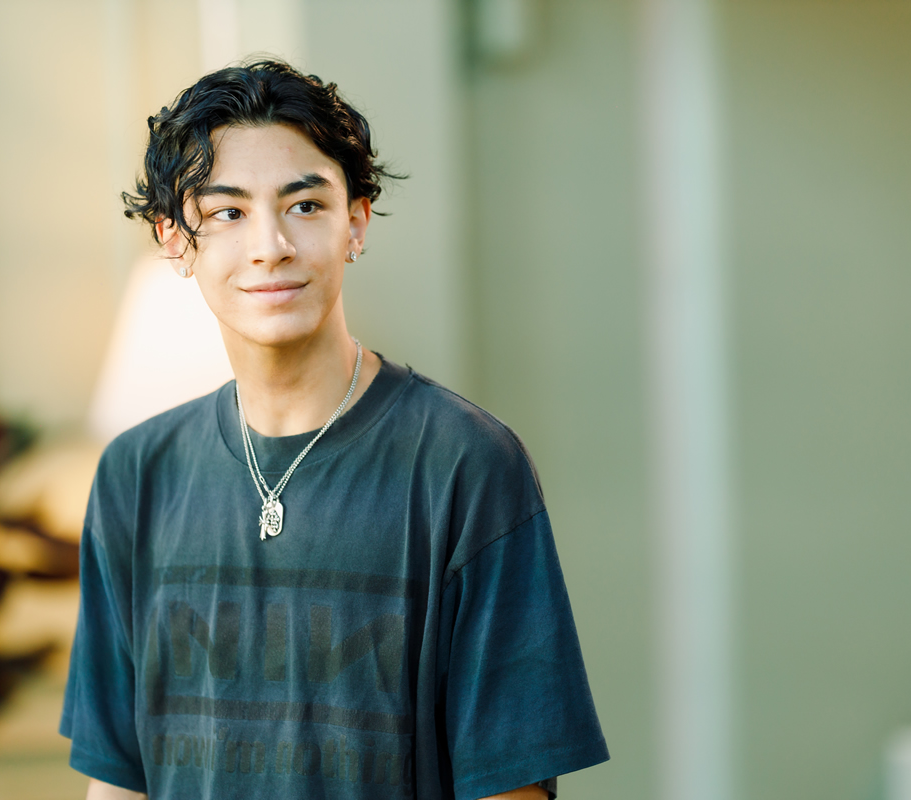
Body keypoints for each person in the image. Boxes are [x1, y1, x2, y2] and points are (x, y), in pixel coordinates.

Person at [60, 59, 608, 800]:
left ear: (356, 221)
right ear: (175, 241)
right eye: (228, 214)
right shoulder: (135, 475)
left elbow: (511, 788)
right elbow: (116, 782)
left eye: (306, 205)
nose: (270, 245)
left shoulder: (465, 465)